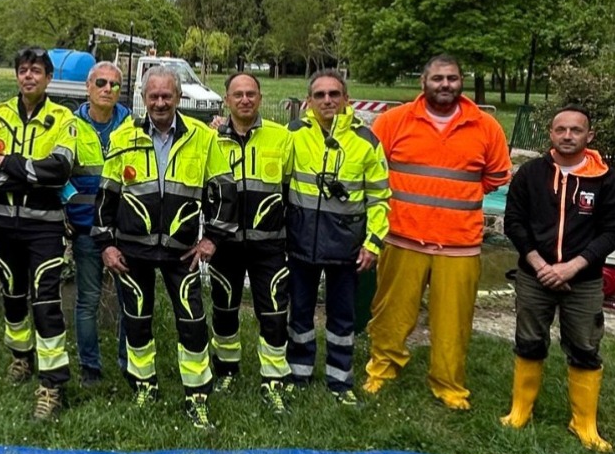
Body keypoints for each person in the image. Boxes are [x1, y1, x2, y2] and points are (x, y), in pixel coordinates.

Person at [362, 54, 511, 410]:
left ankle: (448, 384)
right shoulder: (394, 121)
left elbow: (496, 176)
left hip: (459, 244)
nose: (445, 84)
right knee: (391, 312)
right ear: (423, 82)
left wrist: (453, 199)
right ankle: (382, 369)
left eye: (452, 78)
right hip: (402, 237)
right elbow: (371, 168)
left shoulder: (485, 126)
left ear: (461, 82)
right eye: (438, 78)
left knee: (453, 322)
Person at [94, 66, 235, 429]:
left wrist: (212, 238)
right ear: (144, 98)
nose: (160, 102)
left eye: (166, 96)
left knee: (193, 323)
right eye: (153, 96)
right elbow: (106, 196)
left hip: (181, 252)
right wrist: (106, 244)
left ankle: (197, 395)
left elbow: (224, 191)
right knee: (137, 323)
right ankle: (144, 386)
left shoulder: (203, 138)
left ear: (178, 97)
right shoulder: (124, 136)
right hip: (132, 251)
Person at [502, 105, 615, 450]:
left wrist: (573, 266)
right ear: (551, 134)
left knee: (584, 346)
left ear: (589, 135)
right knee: (529, 340)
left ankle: (584, 423)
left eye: (576, 130)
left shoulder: (607, 178)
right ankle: (520, 410)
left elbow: (612, 231)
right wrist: (540, 265)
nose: (568, 136)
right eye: (561, 129)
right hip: (534, 274)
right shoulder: (530, 173)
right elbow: (514, 223)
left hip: (584, 279)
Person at [0, 47, 76, 420]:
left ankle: (52, 385)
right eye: (23, 70)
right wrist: (31, 175)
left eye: (36, 70)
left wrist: (10, 164)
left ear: (48, 77)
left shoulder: (62, 118)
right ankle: (21, 357)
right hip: (4, 225)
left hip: (44, 227)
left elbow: (60, 170)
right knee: (13, 298)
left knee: (46, 303)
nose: (28, 76)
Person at [284, 70, 390, 406]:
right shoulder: (293, 134)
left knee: (342, 317)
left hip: (347, 246)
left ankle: (340, 380)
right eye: (320, 95)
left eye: (334, 94)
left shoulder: (366, 141)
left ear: (346, 98)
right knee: (300, 313)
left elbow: (380, 198)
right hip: (301, 241)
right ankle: (298, 374)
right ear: (309, 101)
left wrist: (373, 242)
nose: (327, 100)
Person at [209, 72, 294, 413]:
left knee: (273, 312)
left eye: (250, 94)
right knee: (224, 310)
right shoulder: (211, 139)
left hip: (269, 245)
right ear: (226, 100)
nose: (245, 99)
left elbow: (290, 186)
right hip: (225, 244)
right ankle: (227, 370)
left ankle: (274, 378)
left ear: (260, 98)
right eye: (238, 94)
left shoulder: (280, 136)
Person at [65, 61, 132, 386]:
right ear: (88, 87)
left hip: (124, 229)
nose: (108, 89)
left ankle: (129, 363)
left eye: (114, 84)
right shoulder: (69, 126)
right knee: (88, 300)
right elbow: (58, 174)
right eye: (101, 83)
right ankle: (89, 367)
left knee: (129, 300)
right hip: (86, 228)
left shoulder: (132, 126)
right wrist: (69, 207)